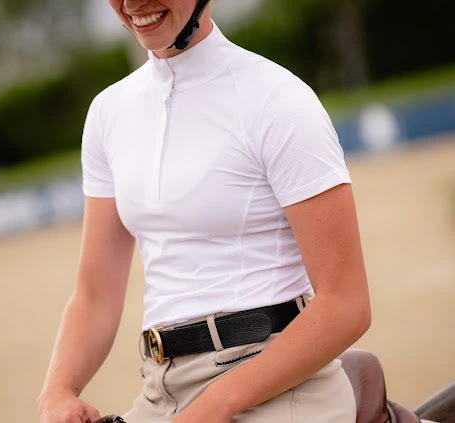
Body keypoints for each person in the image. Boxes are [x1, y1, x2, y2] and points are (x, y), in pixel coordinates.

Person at [38, 1, 371, 422]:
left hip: (277, 386)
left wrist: (214, 406)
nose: (133, 3)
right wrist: (57, 390)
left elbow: (346, 305)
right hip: (161, 392)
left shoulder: (278, 99)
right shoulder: (108, 113)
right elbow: (96, 296)